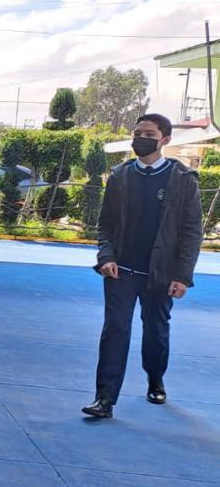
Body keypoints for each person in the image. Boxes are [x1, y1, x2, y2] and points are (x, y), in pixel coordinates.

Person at [83, 114, 202, 420]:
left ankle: (155, 378)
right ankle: (104, 399)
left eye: (149, 134)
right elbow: (105, 224)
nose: (141, 138)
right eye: (137, 133)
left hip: (161, 275)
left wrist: (182, 276)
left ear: (165, 139)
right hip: (120, 272)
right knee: (115, 330)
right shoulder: (120, 176)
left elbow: (191, 232)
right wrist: (106, 257)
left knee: (156, 332)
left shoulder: (183, 179)